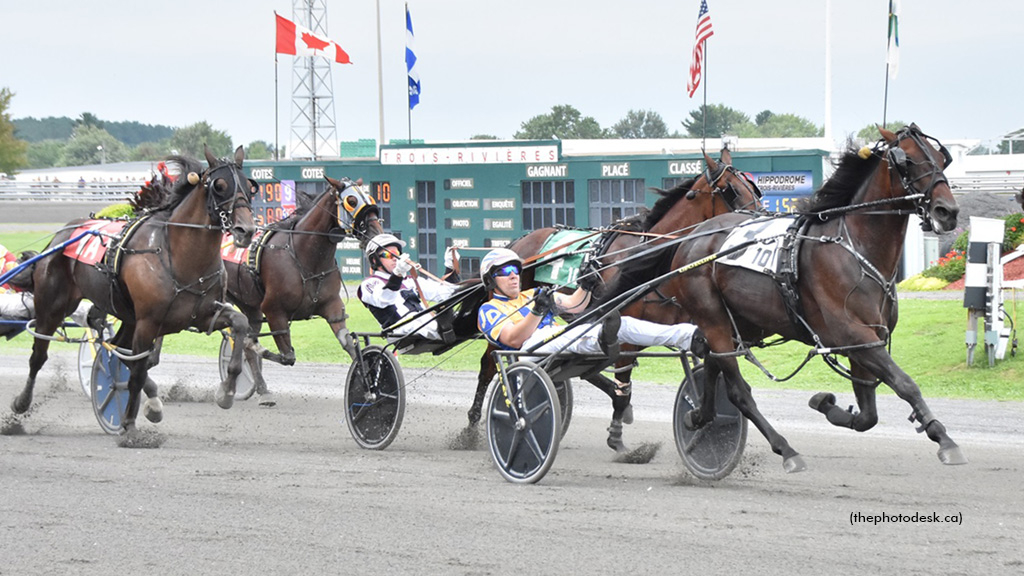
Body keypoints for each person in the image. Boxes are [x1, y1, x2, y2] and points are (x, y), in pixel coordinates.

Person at [476, 248, 708, 387]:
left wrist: (584, 285)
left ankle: (687, 336)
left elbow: (573, 305)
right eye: (505, 273)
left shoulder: (533, 294)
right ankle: (601, 337)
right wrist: (537, 312)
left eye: (516, 271)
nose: (514, 276)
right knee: (577, 332)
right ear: (491, 280)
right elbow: (513, 339)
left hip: (558, 341)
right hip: (528, 353)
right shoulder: (489, 310)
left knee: (623, 324)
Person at [358, 233, 462, 341]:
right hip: (403, 330)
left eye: (397, 253)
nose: (394, 258)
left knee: (466, 316)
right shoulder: (369, 284)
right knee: (450, 321)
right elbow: (384, 299)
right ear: (375, 260)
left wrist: (450, 266)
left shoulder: (410, 280)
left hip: (426, 323)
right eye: (388, 255)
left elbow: (445, 293)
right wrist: (398, 274)